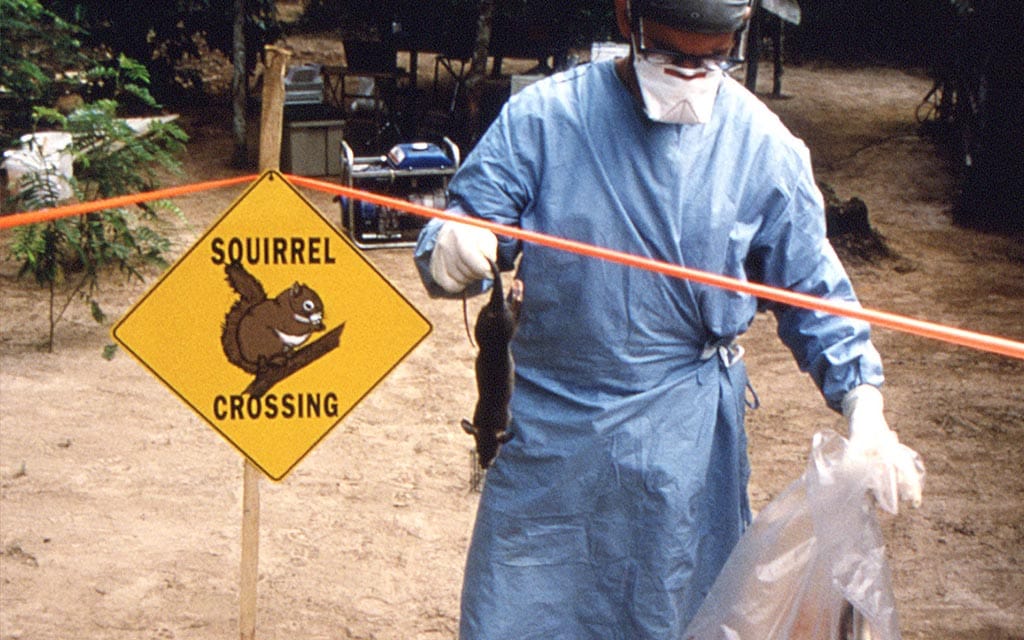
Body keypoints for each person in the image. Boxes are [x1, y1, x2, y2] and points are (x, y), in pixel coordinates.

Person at [413, 0, 926, 637]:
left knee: (678, 617)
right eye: (672, 54)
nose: (690, 73)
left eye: (713, 57)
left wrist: (864, 406)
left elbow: (814, 294)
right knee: (519, 617)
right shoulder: (544, 120)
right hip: (554, 446)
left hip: (685, 457)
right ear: (629, 21)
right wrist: (452, 248)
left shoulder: (762, 148)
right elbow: (461, 230)